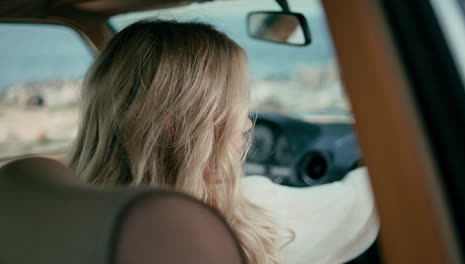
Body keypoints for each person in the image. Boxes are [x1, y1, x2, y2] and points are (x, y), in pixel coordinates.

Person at [67, 20, 378, 264]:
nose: (245, 125)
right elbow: (352, 209)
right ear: (174, 127)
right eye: (231, 108)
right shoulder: (240, 215)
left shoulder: (66, 214)